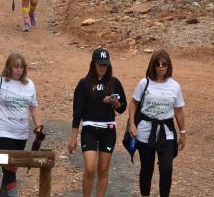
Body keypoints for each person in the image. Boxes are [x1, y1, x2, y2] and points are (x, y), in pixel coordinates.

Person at [67, 48, 127, 197]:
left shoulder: (114, 82)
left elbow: (122, 107)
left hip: (108, 129)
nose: (102, 68)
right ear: (93, 64)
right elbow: (77, 112)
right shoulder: (84, 83)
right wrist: (73, 137)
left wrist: (115, 103)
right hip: (89, 128)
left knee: (103, 168)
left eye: (105, 65)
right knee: (90, 168)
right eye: (100, 64)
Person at [0, 52, 43, 197]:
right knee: (9, 168)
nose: (19, 70)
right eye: (16, 67)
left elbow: (33, 106)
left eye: (21, 67)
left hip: (21, 133)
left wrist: (39, 127)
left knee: (10, 169)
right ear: (9, 67)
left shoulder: (29, 85)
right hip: (2, 131)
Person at [127, 50, 186, 197]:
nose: (161, 67)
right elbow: (133, 103)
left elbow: (178, 111)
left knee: (166, 168)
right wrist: (132, 124)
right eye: (157, 64)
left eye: (164, 64)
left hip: (166, 132)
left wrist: (183, 133)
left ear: (168, 66)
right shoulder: (144, 82)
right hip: (145, 131)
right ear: (152, 66)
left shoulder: (175, 86)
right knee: (147, 169)